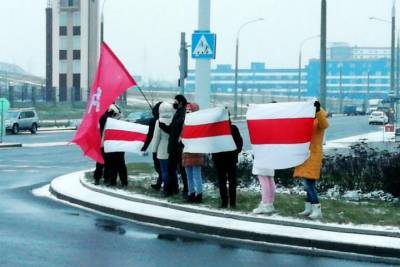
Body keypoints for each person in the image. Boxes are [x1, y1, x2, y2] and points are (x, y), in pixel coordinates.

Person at [293, 100, 329, 220]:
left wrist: (318, 111)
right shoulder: (308, 118)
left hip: (313, 154)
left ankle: (316, 208)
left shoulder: (320, 117)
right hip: (305, 153)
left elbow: (324, 125)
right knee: (308, 183)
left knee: (308, 183)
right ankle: (309, 207)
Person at [159, 95, 188, 196]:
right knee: (171, 169)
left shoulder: (183, 115)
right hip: (173, 147)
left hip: (179, 147)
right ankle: (170, 190)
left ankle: (186, 190)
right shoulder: (177, 114)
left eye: (175, 101)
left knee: (182, 170)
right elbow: (171, 130)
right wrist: (163, 126)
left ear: (180, 102)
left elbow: (180, 130)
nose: (174, 103)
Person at [212, 115, 243, 208]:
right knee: (230, 181)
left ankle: (225, 203)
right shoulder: (232, 128)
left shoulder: (218, 129)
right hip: (229, 159)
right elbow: (240, 143)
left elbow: (239, 143)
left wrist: (235, 152)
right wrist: (235, 152)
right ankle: (231, 203)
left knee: (223, 181)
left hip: (222, 159)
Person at [182, 103, 204, 203]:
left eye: (189, 109)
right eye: (186, 109)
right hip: (187, 151)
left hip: (195, 151)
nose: (187, 111)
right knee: (189, 175)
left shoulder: (199, 123)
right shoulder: (185, 122)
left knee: (196, 174)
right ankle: (191, 193)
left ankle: (198, 194)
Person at [152, 102, 174, 194]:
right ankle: (173, 188)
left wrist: (154, 150)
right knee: (172, 171)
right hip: (172, 149)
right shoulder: (174, 119)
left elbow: (156, 138)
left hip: (162, 149)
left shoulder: (159, 121)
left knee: (164, 171)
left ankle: (166, 189)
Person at [141, 102, 163, 191]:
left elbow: (150, 135)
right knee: (163, 167)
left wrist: (145, 147)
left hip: (156, 147)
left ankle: (160, 183)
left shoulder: (153, 121)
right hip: (165, 147)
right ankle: (160, 182)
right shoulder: (169, 119)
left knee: (158, 167)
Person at [106, 104, 128, 187]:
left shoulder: (120, 121)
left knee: (120, 164)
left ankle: (123, 182)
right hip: (113, 144)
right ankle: (113, 181)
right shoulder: (112, 120)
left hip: (119, 145)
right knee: (113, 164)